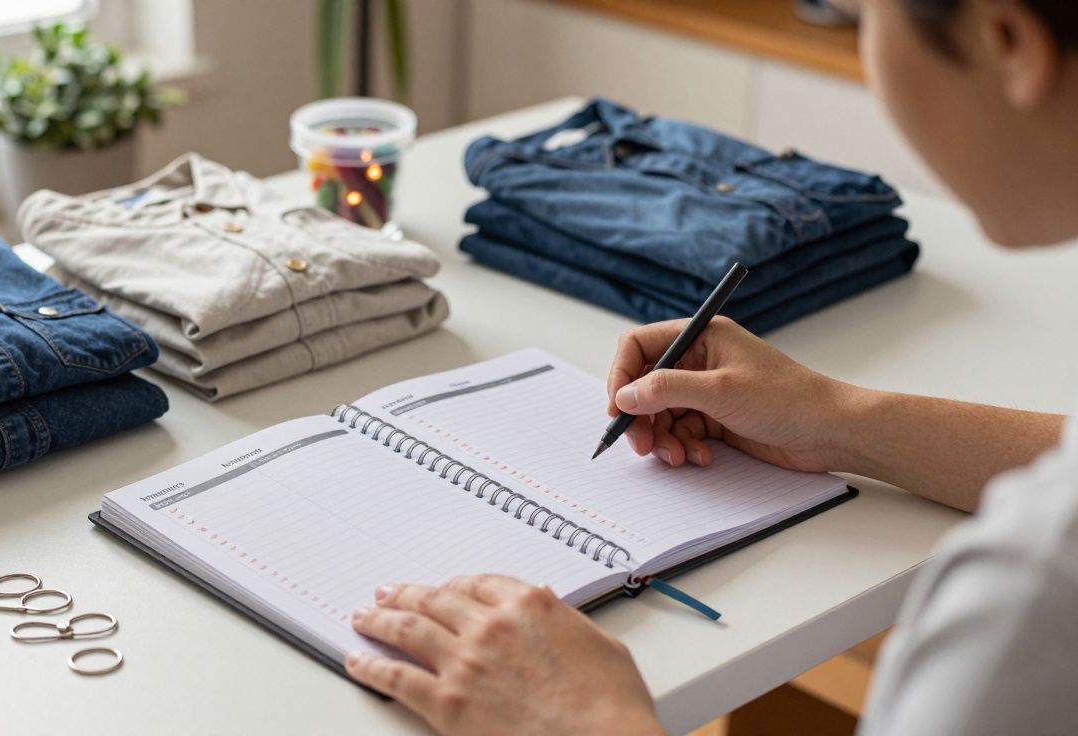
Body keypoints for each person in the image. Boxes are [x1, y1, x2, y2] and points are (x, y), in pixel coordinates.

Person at [339, 0, 1078, 733]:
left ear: (1006, 36)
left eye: (865, 16)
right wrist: (837, 422)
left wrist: (593, 723)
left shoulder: (1030, 592)